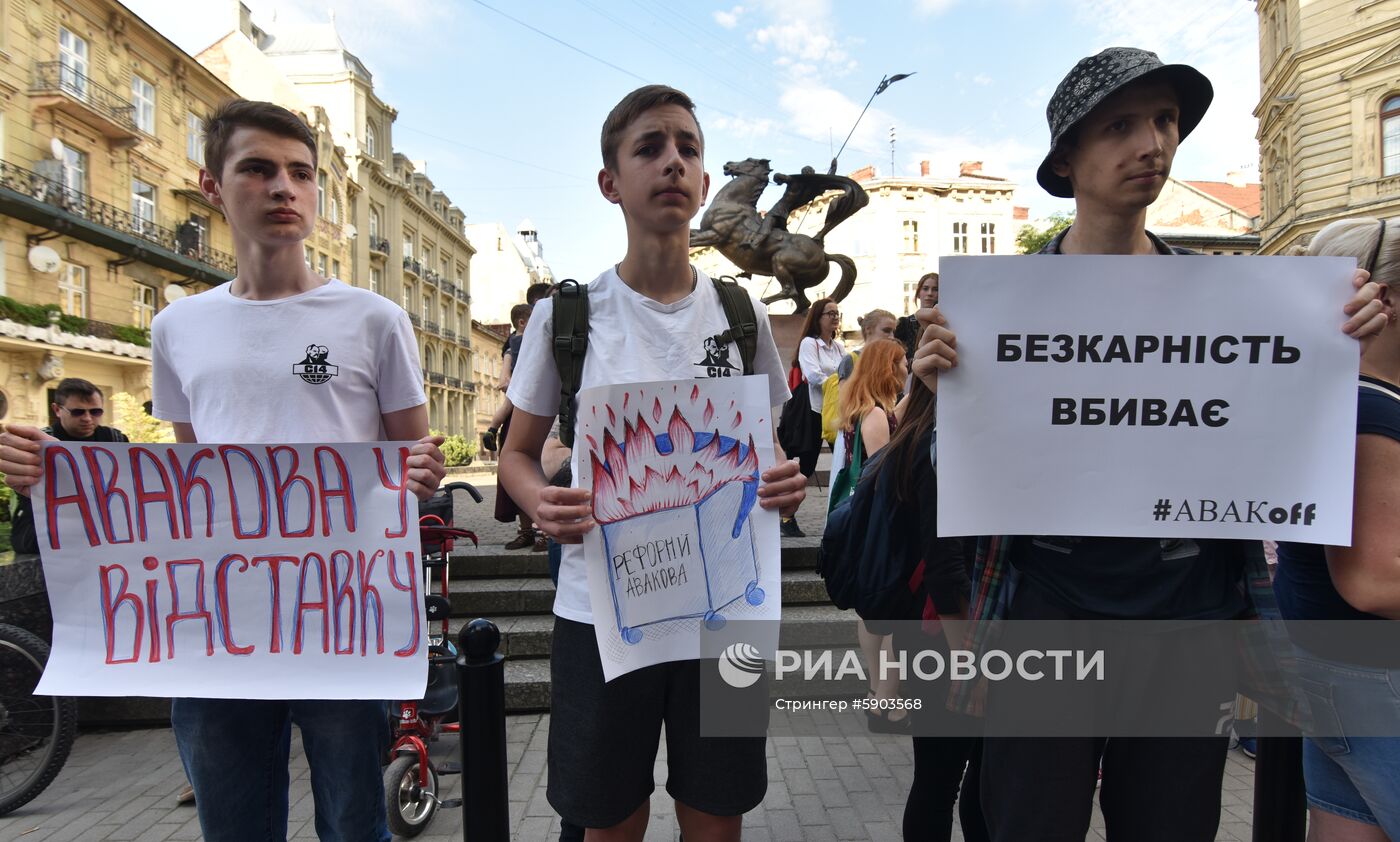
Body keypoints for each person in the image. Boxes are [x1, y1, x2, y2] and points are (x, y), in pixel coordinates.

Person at [911, 48, 1388, 841]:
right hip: (1049, 619)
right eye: (1121, 125)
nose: (1154, 144)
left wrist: (1342, 349)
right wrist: (942, 403)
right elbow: (958, 484)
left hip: (1190, 623)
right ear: (1067, 157)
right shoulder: (997, 309)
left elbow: (1281, 444)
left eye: (1165, 121)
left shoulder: (1238, 302)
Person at [0, 98, 446, 842]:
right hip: (217, 628)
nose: (284, 188)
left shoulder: (374, 319)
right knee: (232, 823)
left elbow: (411, 459)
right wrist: (53, 476)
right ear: (213, 185)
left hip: (340, 615)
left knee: (353, 822)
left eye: (302, 174)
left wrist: (421, 471)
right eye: (259, 169)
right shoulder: (178, 326)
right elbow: (190, 478)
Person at [496, 84, 805, 842]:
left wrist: (784, 484)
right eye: (650, 148)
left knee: (718, 812)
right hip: (601, 617)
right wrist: (539, 500)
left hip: (727, 615)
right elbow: (516, 455)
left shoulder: (742, 313)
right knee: (607, 820)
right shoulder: (566, 316)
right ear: (611, 183)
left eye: (688, 149)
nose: (674, 161)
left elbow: (763, 449)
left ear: (704, 183)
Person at [1273, 216, 1400, 842]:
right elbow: (1374, 580)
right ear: (1385, 299)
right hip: (1378, 676)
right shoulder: (1370, 408)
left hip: (1333, 672)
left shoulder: (1337, 401)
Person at [833, 338, 912, 732]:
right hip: (879, 526)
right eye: (902, 362)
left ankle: (877, 689)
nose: (907, 369)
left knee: (872, 613)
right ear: (887, 368)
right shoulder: (876, 416)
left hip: (863, 524)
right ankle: (887, 702)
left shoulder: (868, 410)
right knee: (895, 613)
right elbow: (883, 477)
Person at [7, 379, 128, 556]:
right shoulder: (38, 443)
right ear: (57, 410)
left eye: (95, 411)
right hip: (46, 529)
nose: (87, 418)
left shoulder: (115, 439)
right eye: (78, 412)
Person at [783, 295, 844, 537]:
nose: (835, 317)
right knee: (806, 467)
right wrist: (841, 382)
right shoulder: (810, 344)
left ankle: (841, 517)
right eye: (830, 313)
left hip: (836, 413)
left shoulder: (839, 347)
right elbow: (813, 375)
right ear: (818, 318)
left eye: (837, 313)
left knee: (844, 463)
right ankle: (787, 517)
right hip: (814, 412)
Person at [489, 302, 546, 551]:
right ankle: (529, 531)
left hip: (542, 409)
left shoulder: (537, 337)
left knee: (545, 471)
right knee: (524, 467)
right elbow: (504, 380)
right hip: (520, 409)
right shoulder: (514, 343)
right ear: (524, 321)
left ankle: (542, 530)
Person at [895, 271, 938, 361]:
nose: (930, 293)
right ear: (918, 293)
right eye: (925, 288)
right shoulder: (905, 324)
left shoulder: (946, 323)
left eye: (935, 289)